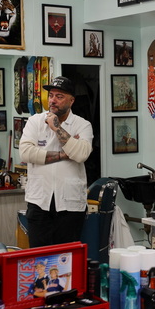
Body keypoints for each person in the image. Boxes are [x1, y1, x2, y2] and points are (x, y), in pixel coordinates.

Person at [19, 76, 93, 247]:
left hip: (70, 204)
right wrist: (63, 154)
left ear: (71, 101)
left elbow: (81, 154)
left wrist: (57, 128)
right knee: (39, 257)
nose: (53, 100)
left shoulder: (83, 125)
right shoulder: (35, 121)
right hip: (39, 202)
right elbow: (25, 153)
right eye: (51, 95)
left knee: (66, 257)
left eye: (59, 96)